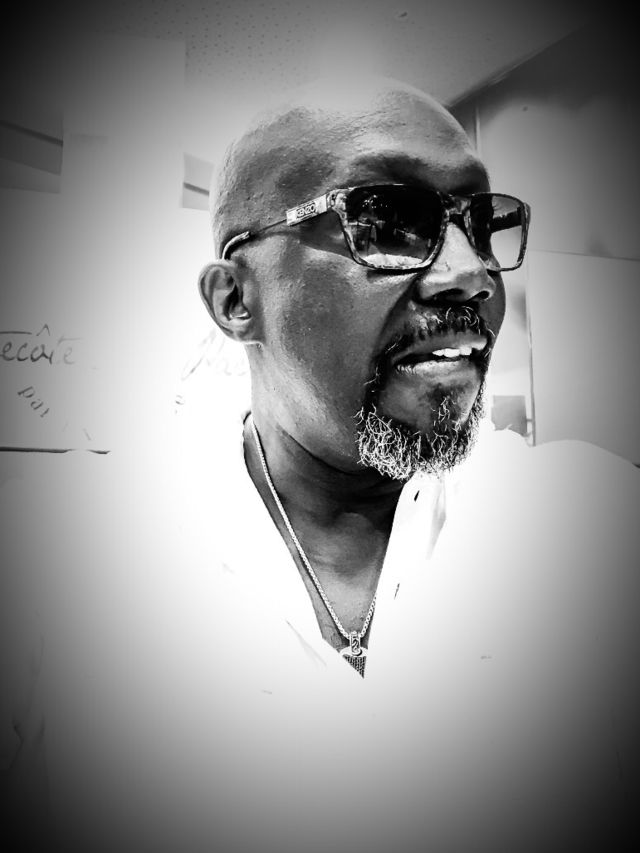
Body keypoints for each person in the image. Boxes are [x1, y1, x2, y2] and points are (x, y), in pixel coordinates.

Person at [4, 75, 639, 852]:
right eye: (388, 222)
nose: (472, 274)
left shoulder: (595, 528)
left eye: (479, 224)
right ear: (237, 301)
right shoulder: (56, 570)